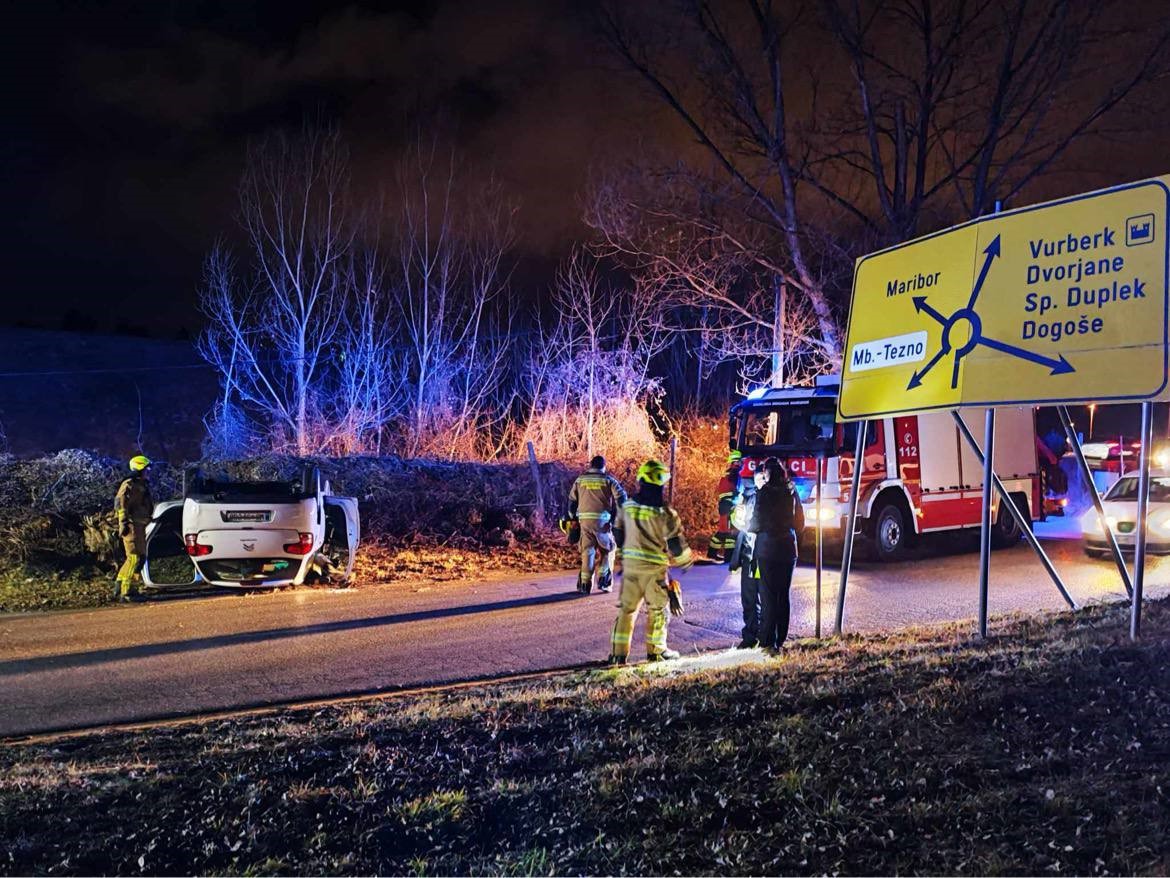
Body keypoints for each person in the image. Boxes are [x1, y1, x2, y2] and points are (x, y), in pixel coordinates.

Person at [608, 459, 693, 664]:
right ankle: (656, 651)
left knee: (627, 611)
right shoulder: (666, 513)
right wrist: (686, 562)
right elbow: (676, 545)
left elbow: (617, 533)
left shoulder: (627, 507)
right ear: (660, 484)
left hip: (631, 569)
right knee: (658, 610)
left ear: (641, 481)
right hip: (655, 572)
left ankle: (618, 655)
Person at [748, 458, 804, 652]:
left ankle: (766, 640)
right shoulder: (792, 491)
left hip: (767, 550)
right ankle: (781, 639)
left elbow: (754, 523)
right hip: (788, 550)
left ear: (767, 473)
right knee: (783, 595)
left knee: (768, 596)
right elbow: (800, 523)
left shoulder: (763, 493)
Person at [567, 455, 628, 594]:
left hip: (584, 522)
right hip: (603, 523)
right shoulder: (608, 480)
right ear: (603, 466)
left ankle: (584, 585)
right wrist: (617, 517)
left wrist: (572, 519)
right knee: (609, 549)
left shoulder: (580, 480)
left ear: (591, 466)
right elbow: (622, 498)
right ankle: (604, 580)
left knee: (587, 551)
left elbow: (571, 501)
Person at [729, 463, 768, 648]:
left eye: (763, 477)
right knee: (750, 597)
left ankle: (765, 636)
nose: (759, 480)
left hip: (763, 555)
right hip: (751, 557)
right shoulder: (749, 496)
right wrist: (738, 514)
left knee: (764, 597)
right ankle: (751, 636)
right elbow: (739, 522)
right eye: (757, 477)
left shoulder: (773, 498)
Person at [114, 455, 155, 602]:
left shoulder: (142, 484)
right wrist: (123, 522)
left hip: (139, 525)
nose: (148, 471)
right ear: (139, 468)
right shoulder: (130, 484)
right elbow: (120, 503)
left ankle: (120, 586)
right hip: (131, 525)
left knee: (139, 557)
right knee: (135, 558)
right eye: (146, 468)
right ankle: (127, 592)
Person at [707, 451, 743, 560]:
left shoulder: (734, 475)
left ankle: (712, 553)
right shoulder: (731, 476)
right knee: (729, 531)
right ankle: (728, 555)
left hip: (728, 505)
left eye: (740, 462)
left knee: (724, 531)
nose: (739, 464)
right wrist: (735, 497)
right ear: (732, 463)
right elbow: (726, 493)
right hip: (727, 505)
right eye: (737, 462)